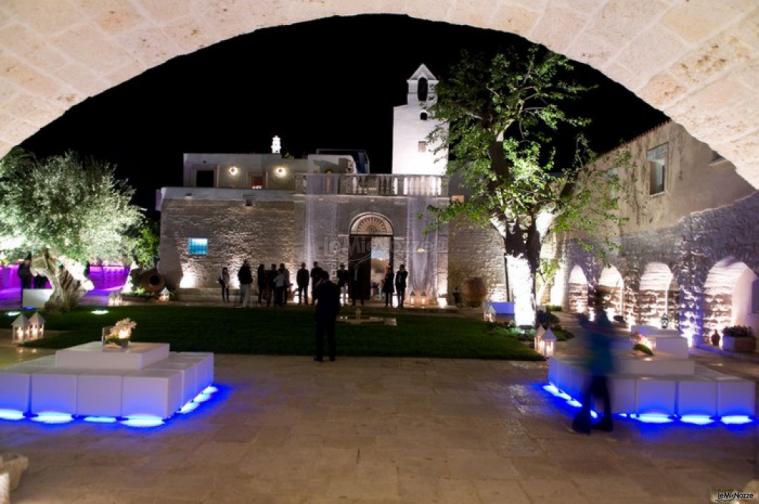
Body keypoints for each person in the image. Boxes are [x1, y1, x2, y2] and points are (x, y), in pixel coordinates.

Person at [572, 293, 616, 434]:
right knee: (601, 394)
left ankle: (586, 422)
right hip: (600, 364)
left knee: (588, 394)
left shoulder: (603, 323)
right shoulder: (601, 322)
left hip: (600, 364)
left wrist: (585, 324)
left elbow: (599, 336)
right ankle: (606, 421)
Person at [314, 270, 339, 362]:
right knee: (331, 335)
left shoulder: (320, 287)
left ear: (321, 278)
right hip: (331, 313)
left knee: (320, 335)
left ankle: (319, 356)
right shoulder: (335, 287)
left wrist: (318, 284)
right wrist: (336, 312)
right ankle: (332, 356)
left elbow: (314, 295)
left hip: (321, 313)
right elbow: (337, 301)